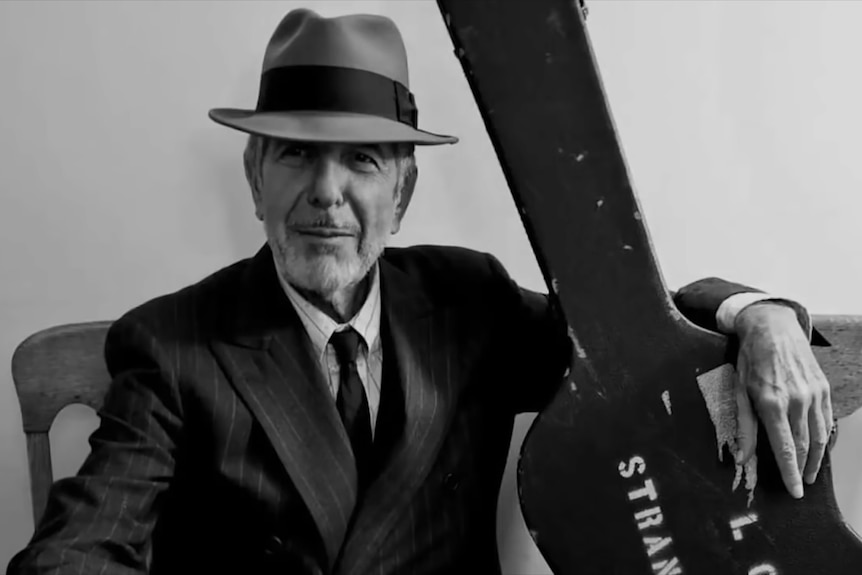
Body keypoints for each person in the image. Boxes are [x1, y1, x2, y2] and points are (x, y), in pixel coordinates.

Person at [8, 9, 833, 575]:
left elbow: (632, 343)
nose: (326, 195)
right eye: (295, 156)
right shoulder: (172, 344)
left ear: (401, 194)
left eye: (361, 160)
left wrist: (755, 314)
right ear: (255, 177)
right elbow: (84, 545)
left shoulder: (466, 298)